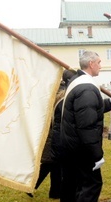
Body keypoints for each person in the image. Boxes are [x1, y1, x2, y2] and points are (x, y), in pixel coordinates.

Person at [60, 51, 111, 202]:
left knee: (74, 186)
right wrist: (96, 154)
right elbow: (87, 125)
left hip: (72, 146)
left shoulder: (78, 82)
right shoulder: (86, 88)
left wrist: (108, 104)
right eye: (98, 62)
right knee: (91, 186)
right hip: (82, 150)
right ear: (91, 64)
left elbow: (84, 111)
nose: (100, 65)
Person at [28, 69, 77, 199]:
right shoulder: (63, 94)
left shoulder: (55, 90)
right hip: (53, 135)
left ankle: (54, 192)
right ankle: (31, 186)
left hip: (50, 133)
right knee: (51, 165)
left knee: (54, 166)